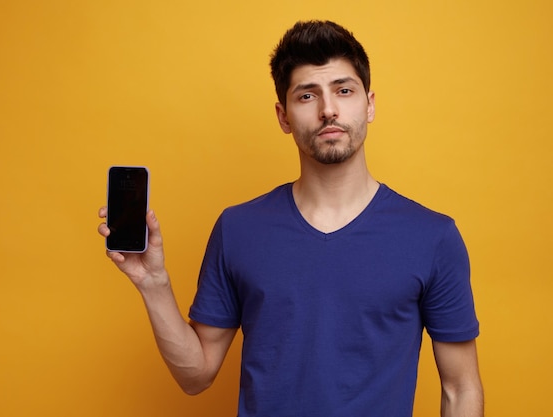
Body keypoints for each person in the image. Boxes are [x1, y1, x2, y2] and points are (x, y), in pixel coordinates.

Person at [98, 20, 483, 417]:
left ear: (369, 105)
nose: (328, 109)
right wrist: (154, 284)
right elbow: (196, 376)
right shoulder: (238, 229)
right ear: (283, 116)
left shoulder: (432, 237)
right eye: (307, 96)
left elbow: (460, 389)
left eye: (344, 90)